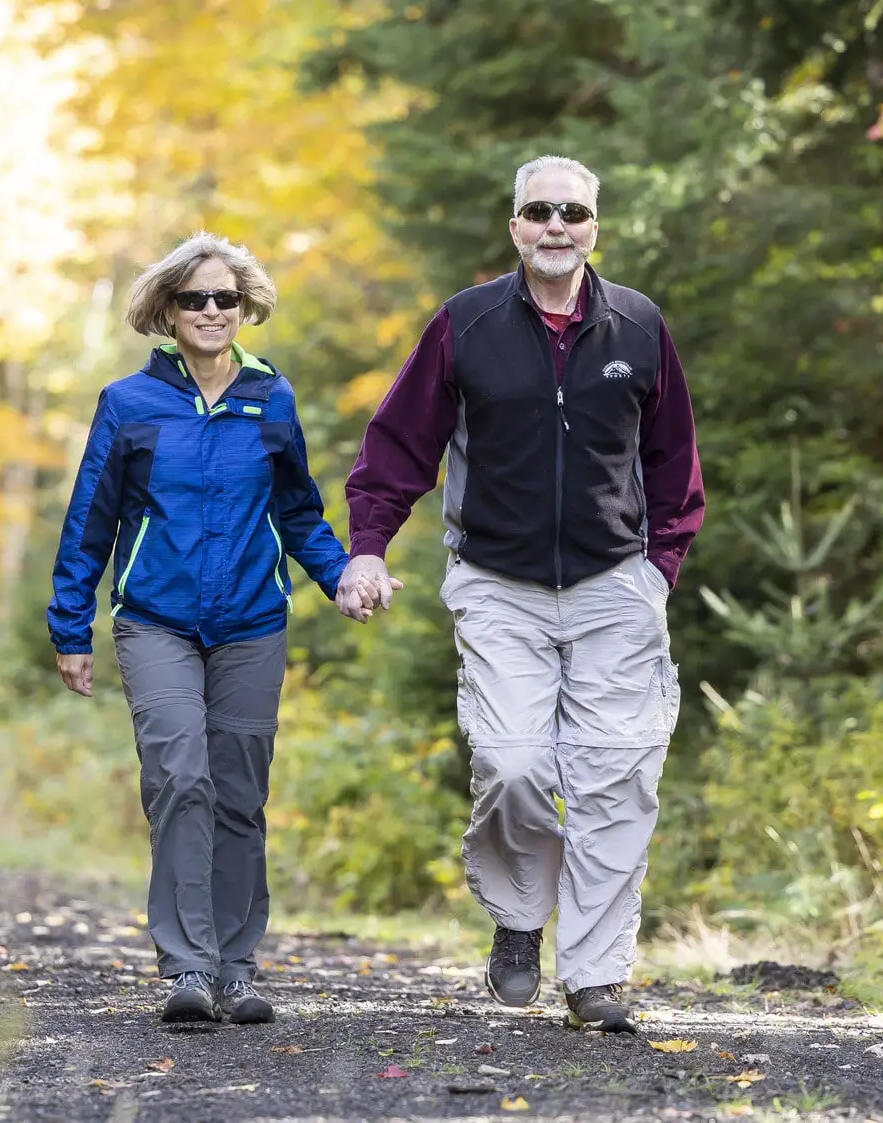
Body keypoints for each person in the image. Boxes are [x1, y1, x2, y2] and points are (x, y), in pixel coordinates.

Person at [342, 156, 704, 1033]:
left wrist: (658, 572)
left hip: (615, 584)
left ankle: (595, 976)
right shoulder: (466, 324)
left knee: (617, 777)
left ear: (593, 227)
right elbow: (399, 445)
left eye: (572, 212)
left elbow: (673, 462)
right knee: (513, 761)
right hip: (497, 584)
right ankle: (516, 917)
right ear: (514, 226)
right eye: (539, 210)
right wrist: (367, 548)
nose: (555, 225)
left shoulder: (638, 326)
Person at [46, 232, 396, 1026]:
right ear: (167, 310)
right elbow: (89, 521)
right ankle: (187, 968)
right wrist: (70, 625)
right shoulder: (129, 405)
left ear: (245, 310)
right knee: (180, 777)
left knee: (239, 792)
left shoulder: (271, 398)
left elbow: (299, 510)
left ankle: (236, 968)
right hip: (155, 621)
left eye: (226, 299)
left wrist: (341, 573)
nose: (212, 311)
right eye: (196, 298)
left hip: (251, 622)